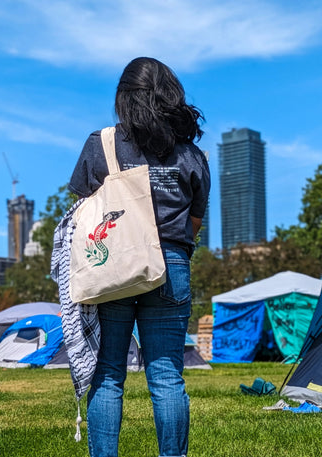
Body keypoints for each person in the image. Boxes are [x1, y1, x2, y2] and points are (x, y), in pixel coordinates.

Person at [68, 57, 210, 457]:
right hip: (172, 268)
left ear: (124, 99)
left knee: (109, 374)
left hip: (112, 265)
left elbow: (84, 210)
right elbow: (193, 223)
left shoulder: (103, 143)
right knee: (166, 378)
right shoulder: (193, 156)